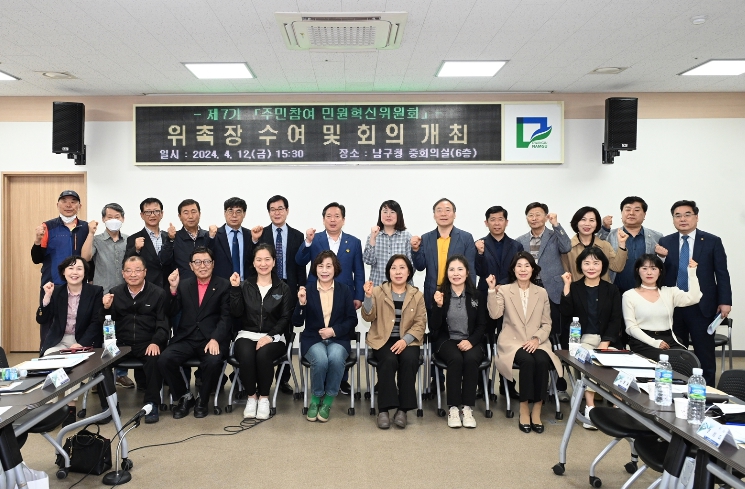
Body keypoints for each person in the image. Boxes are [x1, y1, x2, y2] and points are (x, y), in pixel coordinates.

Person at [487, 251, 562, 434]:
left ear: (533, 269)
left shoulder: (541, 292)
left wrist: (537, 339)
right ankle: (524, 408)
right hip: (513, 341)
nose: (523, 269)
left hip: (537, 341)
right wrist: (491, 290)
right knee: (527, 361)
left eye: (527, 265)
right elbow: (495, 314)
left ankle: (537, 409)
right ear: (513, 269)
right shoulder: (505, 290)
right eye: (519, 266)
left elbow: (547, 323)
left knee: (542, 361)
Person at [656, 199, 729, 385]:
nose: (682, 219)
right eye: (677, 215)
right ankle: (677, 389)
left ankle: (708, 392)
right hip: (674, 306)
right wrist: (660, 258)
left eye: (687, 215)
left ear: (696, 217)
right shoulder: (665, 242)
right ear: (673, 219)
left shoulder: (712, 241)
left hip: (702, 306)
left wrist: (725, 301)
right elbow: (659, 273)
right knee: (675, 353)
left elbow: (721, 273)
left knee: (705, 354)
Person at [295, 202, 364, 395]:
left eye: (337, 216)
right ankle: (322, 384)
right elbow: (300, 260)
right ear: (323, 219)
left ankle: (341, 380)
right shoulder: (315, 239)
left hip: (344, 295)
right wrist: (307, 242)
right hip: (317, 293)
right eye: (329, 216)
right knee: (320, 338)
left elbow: (358, 271)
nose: (333, 220)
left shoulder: (354, 242)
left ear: (343, 219)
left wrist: (359, 296)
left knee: (340, 339)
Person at [159, 247, 231, 419]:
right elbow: (171, 311)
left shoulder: (223, 285)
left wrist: (215, 338)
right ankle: (185, 396)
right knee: (164, 359)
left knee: (213, 361)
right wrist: (173, 290)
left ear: (213, 264)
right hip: (187, 337)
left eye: (206, 261)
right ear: (191, 266)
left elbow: (226, 317)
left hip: (210, 338)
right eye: (197, 262)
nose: (202, 266)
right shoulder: (184, 284)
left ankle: (202, 400)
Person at [36, 256, 104, 426]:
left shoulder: (95, 291)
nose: (75, 272)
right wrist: (46, 298)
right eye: (71, 268)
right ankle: (52, 407)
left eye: (79, 268)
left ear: (85, 272)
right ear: (64, 272)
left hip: (83, 340)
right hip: (60, 340)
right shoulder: (57, 291)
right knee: (49, 360)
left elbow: (96, 322)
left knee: (73, 365)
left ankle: (70, 407)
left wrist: (81, 344)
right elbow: (42, 319)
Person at [559, 247, 623, 429]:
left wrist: (605, 342)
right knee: (590, 361)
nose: (591, 267)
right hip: (582, 340)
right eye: (586, 263)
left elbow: (615, 319)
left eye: (596, 263)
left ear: (603, 266)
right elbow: (566, 313)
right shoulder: (575, 288)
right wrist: (566, 286)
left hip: (606, 340)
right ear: (580, 266)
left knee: (618, 364)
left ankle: (617, 407)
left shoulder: (612, 290)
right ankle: (590, 407)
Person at [102, 256, 170, 424]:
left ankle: (151, 404)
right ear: (123, 273)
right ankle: (110, 406)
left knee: (155, 358)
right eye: (129, 271)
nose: (133, 274)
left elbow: (163, 324)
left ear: (145, 272)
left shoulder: (158, 293)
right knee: (101, 363)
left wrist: (156, 342)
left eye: (138, 270)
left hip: (147, 343)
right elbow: (105, 322)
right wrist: (105, 308)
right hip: (121, 344)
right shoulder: (115, 293)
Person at [229, 244, 293, 420]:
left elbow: (285, 317)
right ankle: (252, 397)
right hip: (246, 334)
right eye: (259, 260)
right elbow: (236, 313)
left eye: (267, 259)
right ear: (253, 262)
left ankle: (264, 398)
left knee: (264, 354)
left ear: (274, 262)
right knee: (246, 354)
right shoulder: (245, 285)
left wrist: (270, 336)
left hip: (275, 336)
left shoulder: (283, 288)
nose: (263, 264)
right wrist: (235, 289)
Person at [361, 255, 425, 429]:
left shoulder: (417, 295)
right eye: (394, 268)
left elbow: (420, 323)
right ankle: (383, 410)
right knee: (388, 360)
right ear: (388, 272)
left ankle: (403, 410)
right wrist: (368, 297)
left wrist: (405, 341)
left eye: (402, 268)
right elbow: (368, 317)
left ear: (409, 272)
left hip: (408, 340)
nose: (398, 272)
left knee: (409, 360)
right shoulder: (377, 291)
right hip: (383, 339)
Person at [293, 251, 357, 423]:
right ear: (315, 269)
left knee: (335, 358)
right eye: (320, 266)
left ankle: (328, 401)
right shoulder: (308, 290)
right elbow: (297, 322)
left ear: (335, 268)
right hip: (313, 339)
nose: (324, 270)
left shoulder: (344, 290)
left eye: (329, 266)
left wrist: (334, 331)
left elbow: (352, 320)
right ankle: (316, 398)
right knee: (320, 360)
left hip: (338, 339)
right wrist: (301, 304)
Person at [515, 202, 571, 400]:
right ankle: (536, 383)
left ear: (546, 216)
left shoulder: (555, 235)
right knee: (534, 335)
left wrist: (556, 225)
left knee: (555, 337)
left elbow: (567, 247)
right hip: (530, 292)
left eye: (538, 214)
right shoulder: (520, 241)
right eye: (530, 215)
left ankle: (558, 385)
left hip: (553, 291)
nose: (534, 218)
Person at [254, 195, 307, 394]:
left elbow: (300, 266)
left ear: (287, 211)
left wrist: (302, 287)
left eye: (280, 208)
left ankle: (283, 379)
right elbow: (255, 262)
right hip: (267, 288)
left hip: (289, 289)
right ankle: (260, 376)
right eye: (273, 209)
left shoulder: (297, 236)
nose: (277, 212)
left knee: (286, 332)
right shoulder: (262, 234)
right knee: (264, 329)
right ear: (269, 212)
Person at [429, 255, 487, 429]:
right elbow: (434, 327)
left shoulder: (476, 295)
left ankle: (467, 408)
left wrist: (471, 341)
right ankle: (453, 408)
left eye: (460, 269)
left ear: (467, 272)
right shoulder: (440, 295)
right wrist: (438, 307)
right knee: (456, 359)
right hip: (447, 340)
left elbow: (482, 325)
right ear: (447, 273)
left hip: (471, 340)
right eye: (452, 270)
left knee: (470, 359)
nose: (456, 273)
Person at [81, 203, 134, 389]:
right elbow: (86, 257)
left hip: (125, 295)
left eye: (117, 217)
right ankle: (100, 376)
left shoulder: (129, 240)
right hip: (103, 296)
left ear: (123, 219)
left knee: (123, 334)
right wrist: (90, 233)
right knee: (104, 336)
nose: (114, 220)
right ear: (103, 219)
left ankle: (120, 374)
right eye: (109, 217)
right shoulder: (97, 240)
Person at [31, 190, 89, 344]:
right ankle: (46, 356)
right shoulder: (48, 227)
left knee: (78, 326)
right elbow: (36, 259)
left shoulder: (85, 228)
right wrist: (37, 241)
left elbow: (89, 258)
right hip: (53, 286)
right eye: (64, 201)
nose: (68, 205)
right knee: (49, 329)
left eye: (73, 202)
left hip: (78, 287)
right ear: (58, 204)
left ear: (79, 206)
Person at [623, 254, 702, 362]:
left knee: (687, 361)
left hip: (669, 339)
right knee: (666, 361)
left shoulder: (669, 292)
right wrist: (655, 342)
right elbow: (631, 327)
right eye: (644, 268)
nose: (649, 273)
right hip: (643, 341)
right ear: (638, 271)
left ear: (660, 271)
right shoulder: (629, 295)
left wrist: (692, 273)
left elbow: (694, 298)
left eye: (653, 268)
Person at [411, 198, 475, 313]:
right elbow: (420, 267)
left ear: (454, 214)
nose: (443, 214)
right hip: (433, 293)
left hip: (458, 293)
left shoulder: (466, 238)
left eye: (447, 210)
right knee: (434, 324)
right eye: (439, 210)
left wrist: (471, 295)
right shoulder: (426, 238)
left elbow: (471, 269)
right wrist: (415, 250)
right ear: (434, 215)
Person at [475, 206, 523, 337]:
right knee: (486, 332)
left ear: (506, 222)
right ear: (486, 223)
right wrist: (480, 253)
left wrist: (502, 284)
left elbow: (519, 270)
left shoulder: (516, 246)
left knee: (509, 332)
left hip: (510, 293)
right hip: (485, 293)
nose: (497, 223)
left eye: (500, 219)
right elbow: (479, 271)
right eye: (493, 219)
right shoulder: (480, 244)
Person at [598, 196, 663, 294]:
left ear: (644, 214)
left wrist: (662, 256)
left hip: (647, 291)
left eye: (637, 210)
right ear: (621, 213)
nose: (631, 213)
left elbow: (661, 265)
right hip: (615, 292)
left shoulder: (657, 237)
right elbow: (595, 248)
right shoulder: (610, 235)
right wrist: (604, 228)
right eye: (627, 209)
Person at [562, 206, 628, 282]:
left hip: (603, 289)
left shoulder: (605, 245)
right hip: (576, 289)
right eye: (583, 219)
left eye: (591, 220)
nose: (587, 224)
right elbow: (564, 273)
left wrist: (622, 244)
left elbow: (617, 267)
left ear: (597, 224)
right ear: (576, 222)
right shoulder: (567, 247)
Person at [363, 200, 413, 287]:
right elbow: (368, 261)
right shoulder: (373, 236)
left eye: (392, 212)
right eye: (385, 212)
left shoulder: (407, 237)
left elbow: (411, 266)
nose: (388, 215)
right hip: (378, 287)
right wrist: (373, 239)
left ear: (398, 215)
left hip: (402, 288)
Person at [160, 199, 212, 281]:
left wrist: (212, 237)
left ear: (200, 214)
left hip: (208, 284)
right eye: (186, 213)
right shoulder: (173, 238)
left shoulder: (208, 236)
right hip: (183, 285)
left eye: (193, 212)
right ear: (179, 216)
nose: (190, 216)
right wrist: (170, 240)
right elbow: (164, 261)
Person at [124, 197, 170, 290]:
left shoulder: (169, 237)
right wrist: (136, 249)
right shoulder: (133, 238)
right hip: (147, 288)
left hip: (169, 286)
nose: (152, 215)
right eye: (148, 212)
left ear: (162, 214)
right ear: (142, 215)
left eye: (156, 211)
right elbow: (126, 263)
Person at [209, 197, 255, 282]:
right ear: (224, 213)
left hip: (245, 285)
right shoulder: (215, 235)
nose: (234, 215)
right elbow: (207, 257)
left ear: (244, 214)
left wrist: (255, 241)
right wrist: (211, 237)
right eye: (230, 211)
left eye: (238, 211)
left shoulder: (250, 235)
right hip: (221, 285)